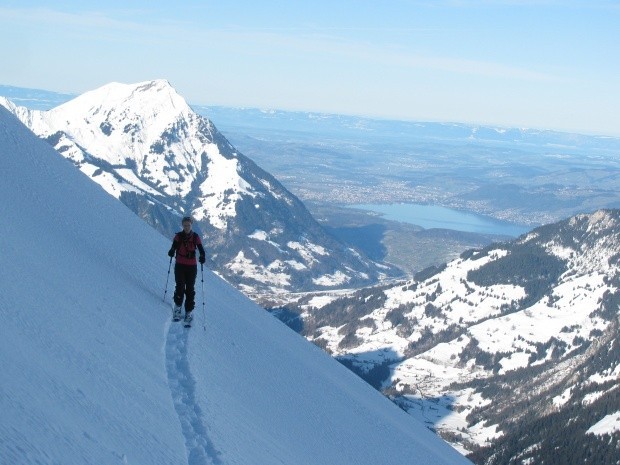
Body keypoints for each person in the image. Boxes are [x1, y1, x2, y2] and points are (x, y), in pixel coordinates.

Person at [168, 216, 206, 324]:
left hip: (191, 267)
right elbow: (173, 247)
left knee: (190, 289)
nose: (187, 227)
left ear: (191, 225)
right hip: (180, 265)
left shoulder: (195, 237)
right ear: (182, 225)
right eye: (185, 225)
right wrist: (171, 251)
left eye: (188, 225)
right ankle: (178, 307)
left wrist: (202, 256)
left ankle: (188, 311)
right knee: (180, 286)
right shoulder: (178, 237)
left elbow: (201, 250)